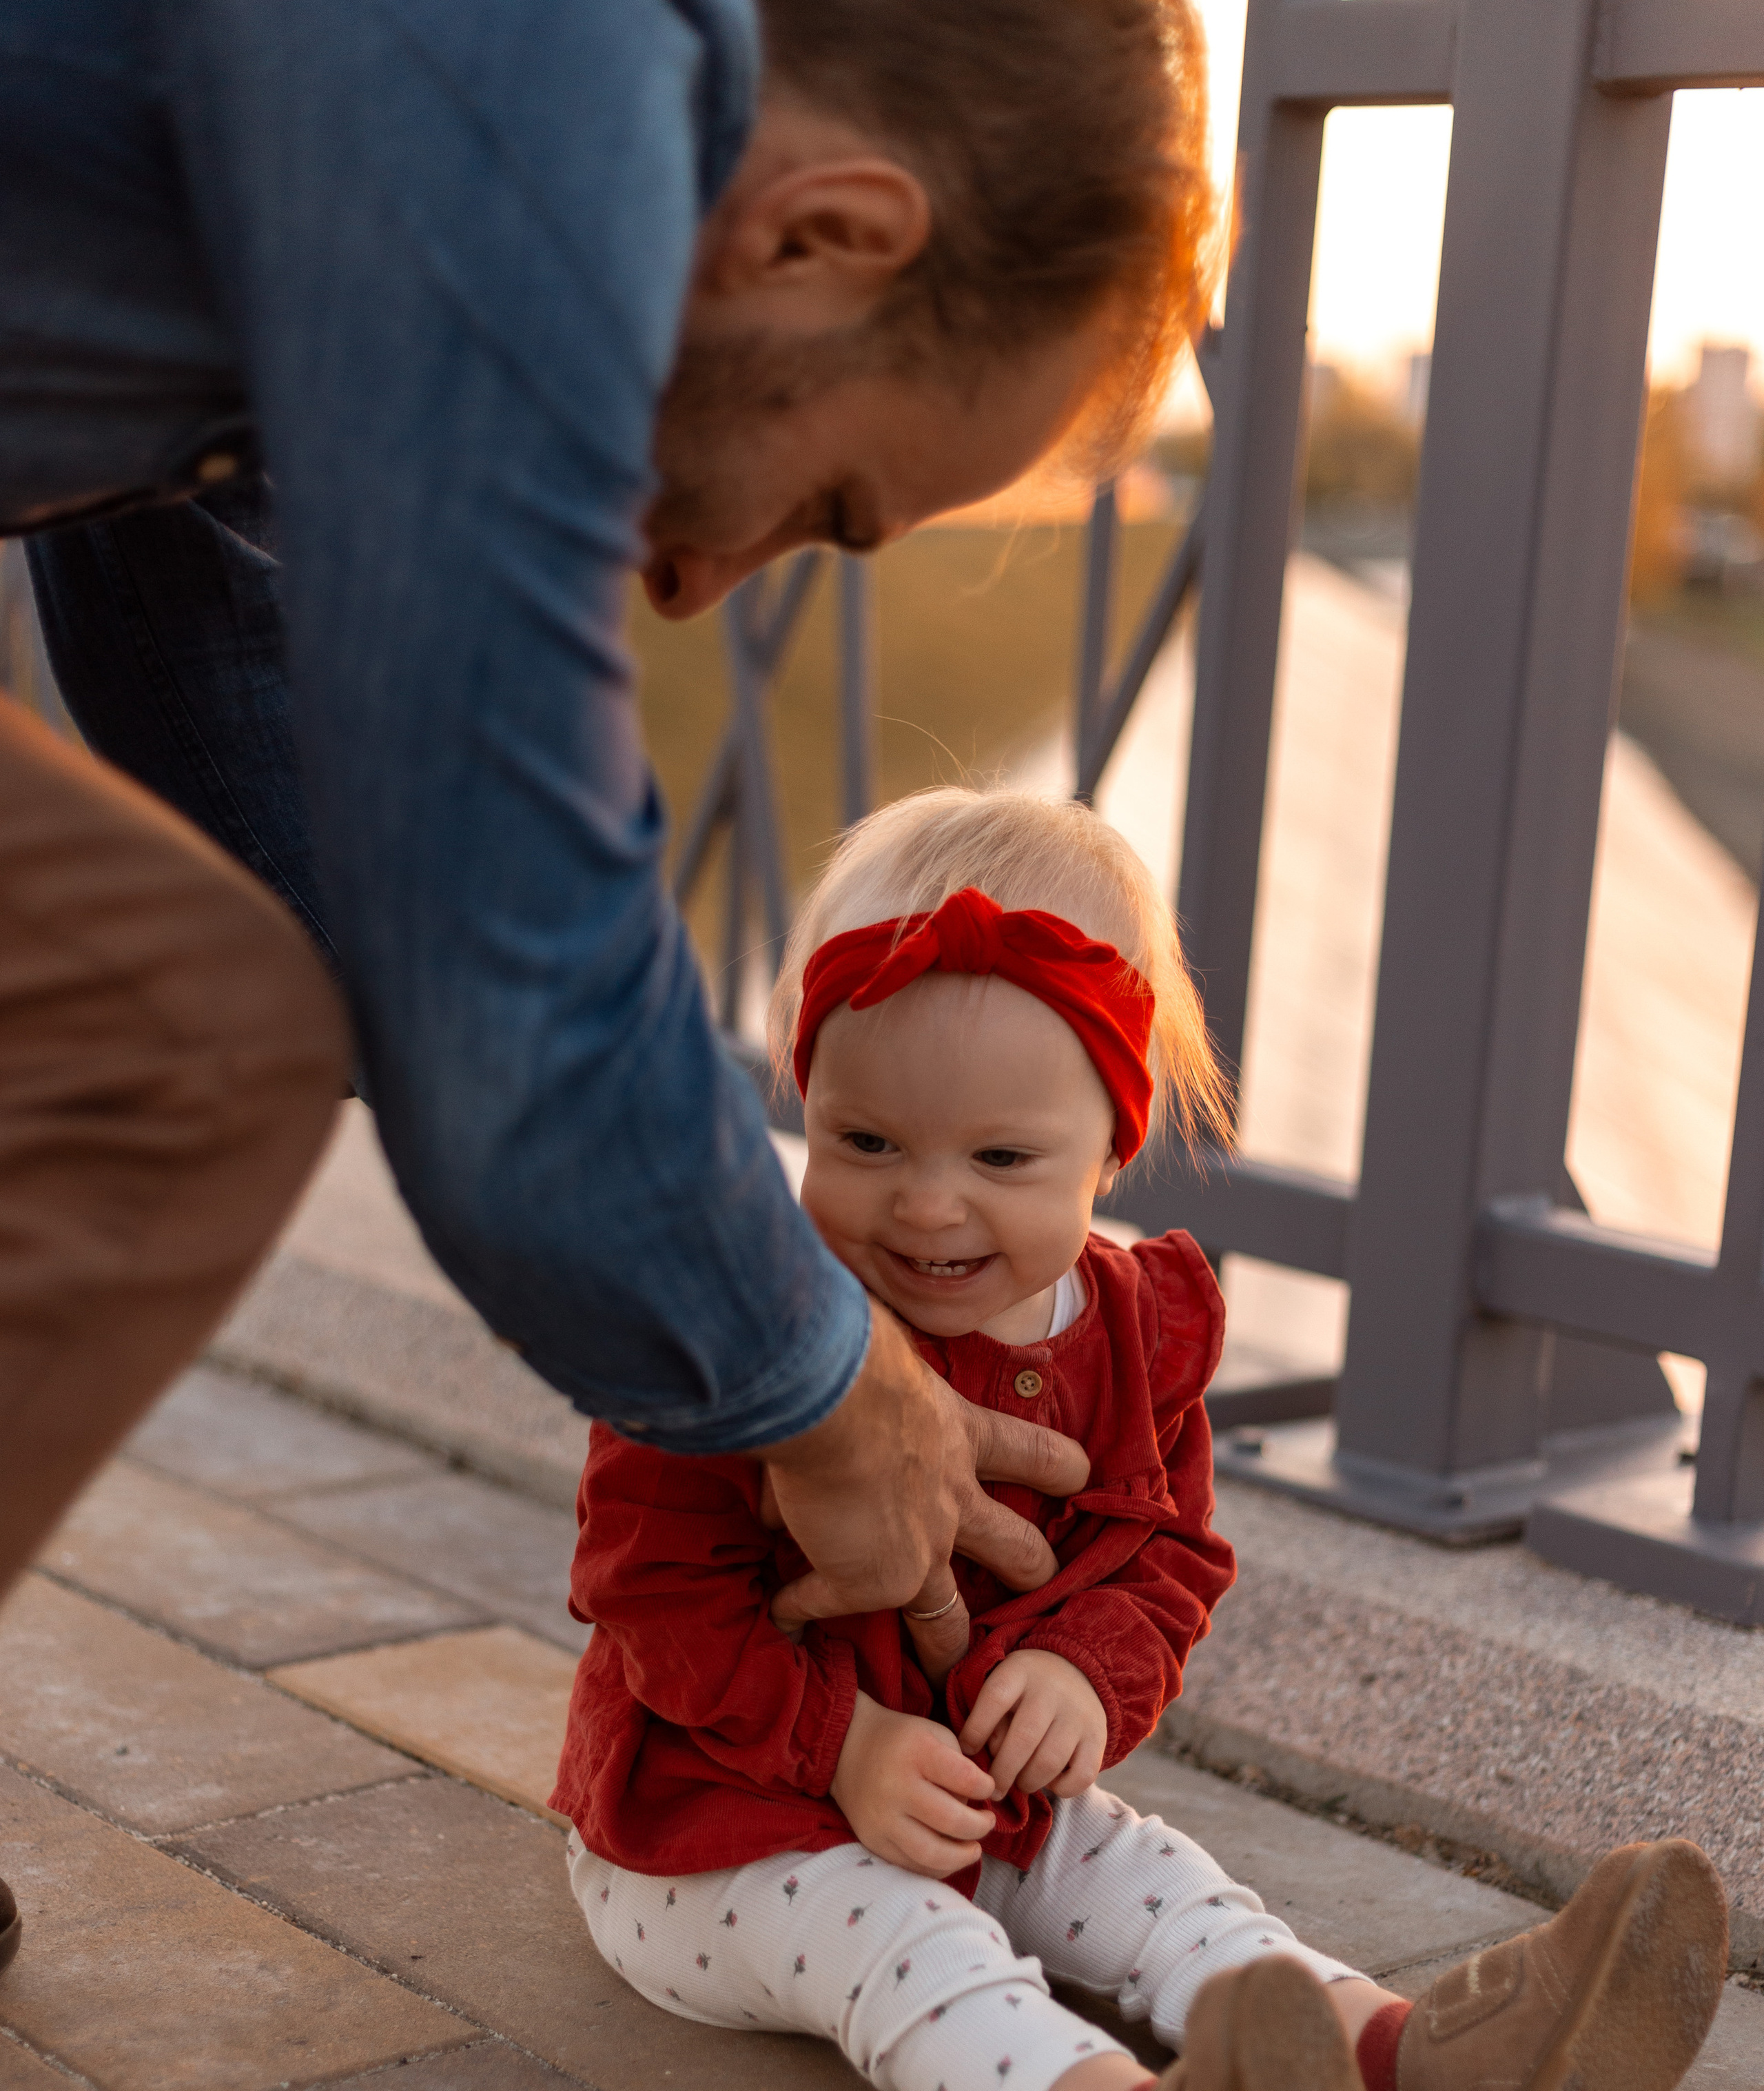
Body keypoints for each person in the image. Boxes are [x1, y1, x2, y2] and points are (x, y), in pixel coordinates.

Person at [0, 0, 1215, 1967]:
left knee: (183, 999)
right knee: (159, 1029)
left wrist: (730, 1262)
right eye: (825, 506)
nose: (696, 582)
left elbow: (326, 847)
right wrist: (821, 1389)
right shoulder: (516, 52)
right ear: (820, 235)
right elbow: (509, 975)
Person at [552, 788, 1730, 2091]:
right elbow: (647, 1594)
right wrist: (840, 1745)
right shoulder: (729, 1323)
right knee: (912, 1958)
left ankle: (1437, 2068)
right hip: (716, 1834)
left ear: (1107, 1148)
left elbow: (1165, 1553)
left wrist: (1078, 1674)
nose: (927, 1203)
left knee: (1158, 1886)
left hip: (992, 1804)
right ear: (802, 1096)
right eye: (865, 1139)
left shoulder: (1130, 1333)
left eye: (1001, 1157)